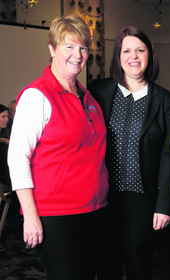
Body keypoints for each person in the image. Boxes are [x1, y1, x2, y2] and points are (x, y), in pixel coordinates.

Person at [7, 14, 108, 280]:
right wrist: (30, 216)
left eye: (83, 47)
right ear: (52, 49)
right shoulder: (37, 96)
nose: (78, 54)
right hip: (58, 216)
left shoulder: (88, 98)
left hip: (95, 210)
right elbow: (18, 158)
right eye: (69, 46)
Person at [88, 26, 170, 280]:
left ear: (149, 55)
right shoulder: (99, 91)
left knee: (140, 267)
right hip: (105, 198)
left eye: (140, 50)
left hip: (143, 200)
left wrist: (164, 205)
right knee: (106, 266)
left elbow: (168, 155)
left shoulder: (165, 99)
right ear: (118, 56)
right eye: (126, 50)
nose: (133, 56)